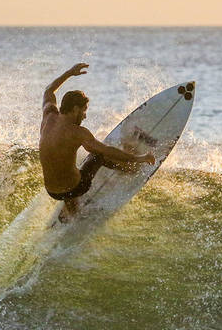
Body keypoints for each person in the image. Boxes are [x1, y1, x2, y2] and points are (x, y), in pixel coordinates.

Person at [39, 63, 155, 221]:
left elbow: (49, 90)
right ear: (74, 109)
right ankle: (130, 169)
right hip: (75, 188)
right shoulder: (78, 133)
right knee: (97, 156)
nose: (85, 116)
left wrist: (69, 73)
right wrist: (139, 157)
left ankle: (71, 208)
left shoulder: (48, 116)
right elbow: (105, 150)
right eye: (83, 111)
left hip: (52, 191)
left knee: (67, 165)